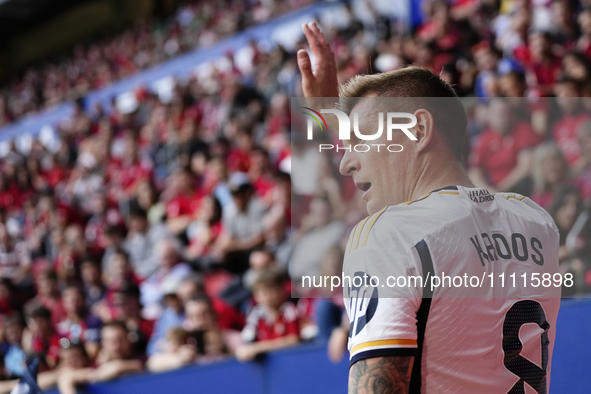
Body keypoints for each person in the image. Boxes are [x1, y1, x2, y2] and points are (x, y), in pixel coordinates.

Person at [296, 21, 560, 393]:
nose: (345, 162)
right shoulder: (535, 220)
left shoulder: (388, 235)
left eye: (360, 141)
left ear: (418, 130)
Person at [236, 268, 299, 362]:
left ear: (282, 290)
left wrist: (259, 348)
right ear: (256, 296)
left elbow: (293, 341)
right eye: (263, 293)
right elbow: (247, 340)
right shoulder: (256, 315)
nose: (268, 296)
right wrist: (242, 350)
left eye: (272, 291)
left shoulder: (289, 310)